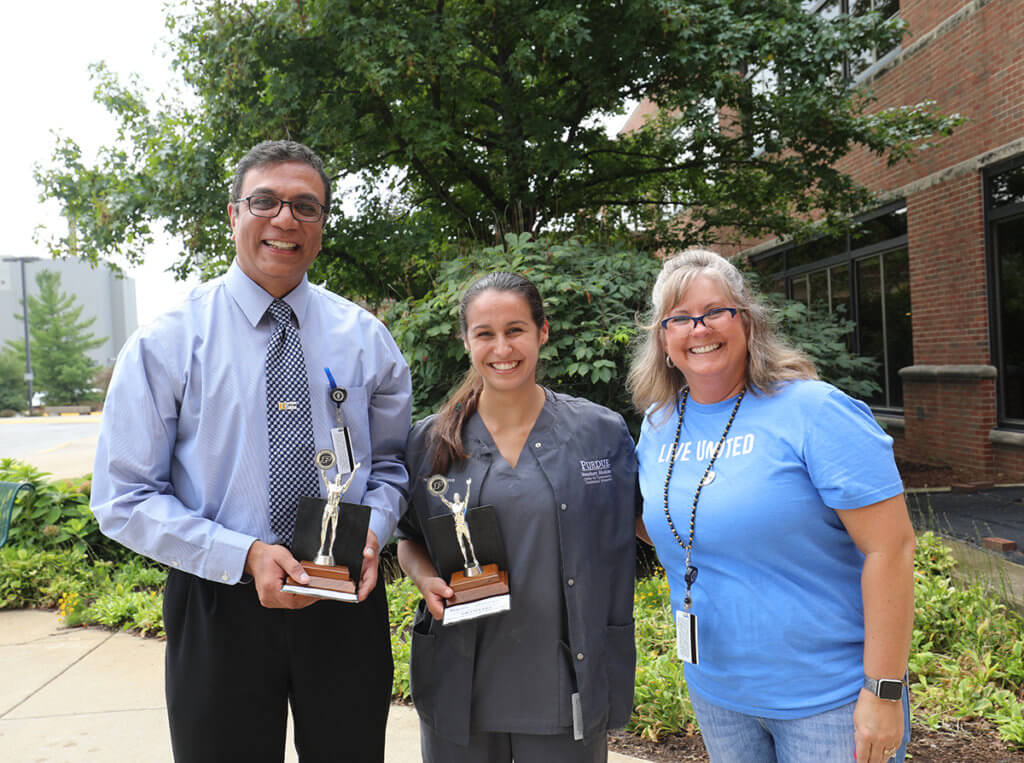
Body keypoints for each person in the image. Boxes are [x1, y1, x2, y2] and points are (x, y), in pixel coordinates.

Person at [91, 140, 412, 762]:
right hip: (219, 595)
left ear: (322, 226)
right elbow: (123, 496)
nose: (285, 219)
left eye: (305, 206)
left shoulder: (366, 338)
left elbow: (394, 465)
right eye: (264, 201)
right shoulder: (168, 341)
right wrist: (244, 556)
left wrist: (372, 530)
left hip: (343, 593)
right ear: (234, 214)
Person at [628, 249, 915, 763]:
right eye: (680, 318)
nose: (700, 328)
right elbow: (667, 525)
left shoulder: (814, 410)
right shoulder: (657, 425)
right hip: (718, 694)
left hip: (828, 701)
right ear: (663, 338)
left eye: (715, 311)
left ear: (747, 320)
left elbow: (891, 549)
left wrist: (884, 690)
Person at [396, 272, 638, 762]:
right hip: (462, 681)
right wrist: (425, 580)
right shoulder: (429, 441)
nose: (501, 347)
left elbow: (647, 525)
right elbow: (409, 539)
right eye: (484, 333)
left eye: (515, 330)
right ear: (465, 341)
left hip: (563, 682)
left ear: (542, 331)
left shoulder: (599, 432)